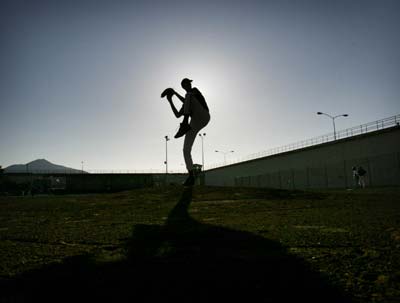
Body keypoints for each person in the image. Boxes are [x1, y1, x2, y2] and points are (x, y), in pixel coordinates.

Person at [165, 78, 210, 186]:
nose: (188, 85)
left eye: (188, 83)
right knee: (186, 150)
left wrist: (175, 93)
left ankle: (185, 124)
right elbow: (177, 114)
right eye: (185, 84)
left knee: (188, 96)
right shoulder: (187, 101)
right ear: (183, 86)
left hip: (203, 115)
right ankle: (191, 175)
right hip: (194, 121)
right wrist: (170, 100)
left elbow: (187, 98)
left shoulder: (194, 91)